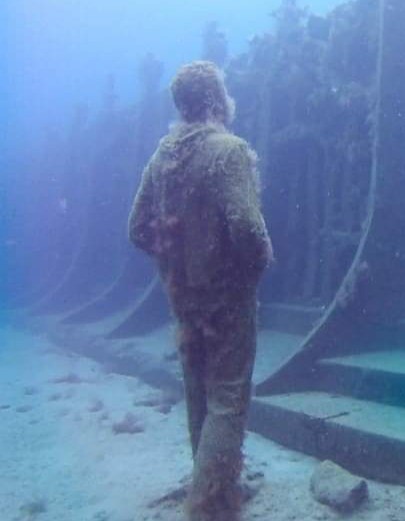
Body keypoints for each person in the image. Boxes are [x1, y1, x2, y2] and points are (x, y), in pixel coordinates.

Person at [129, 60, 273, 521]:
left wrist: (173, 266)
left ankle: (209, 486)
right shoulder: (228, 151)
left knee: (198, 391)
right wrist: (253, 267)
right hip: (227, 297)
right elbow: (248, 227)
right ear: (215, 98)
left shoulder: (163, 156)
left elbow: (137, 228)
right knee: (229, 398)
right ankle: (212, 506)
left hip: (184, 297)